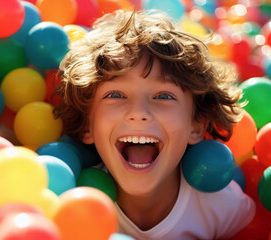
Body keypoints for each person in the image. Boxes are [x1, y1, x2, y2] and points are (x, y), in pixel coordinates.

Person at [53, 9, 255, 239]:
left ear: (196, 126)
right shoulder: (71, 204)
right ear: (88, 125)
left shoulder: (224, 206)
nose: (139, 113)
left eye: (164, 96)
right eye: (116, 95)